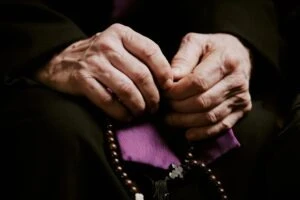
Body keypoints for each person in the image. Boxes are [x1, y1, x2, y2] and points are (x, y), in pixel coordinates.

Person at [1, 0, 282, 199]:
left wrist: (235, 39)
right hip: (30, 53)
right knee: (56, 131)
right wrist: (50, 47)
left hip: (194, 51)